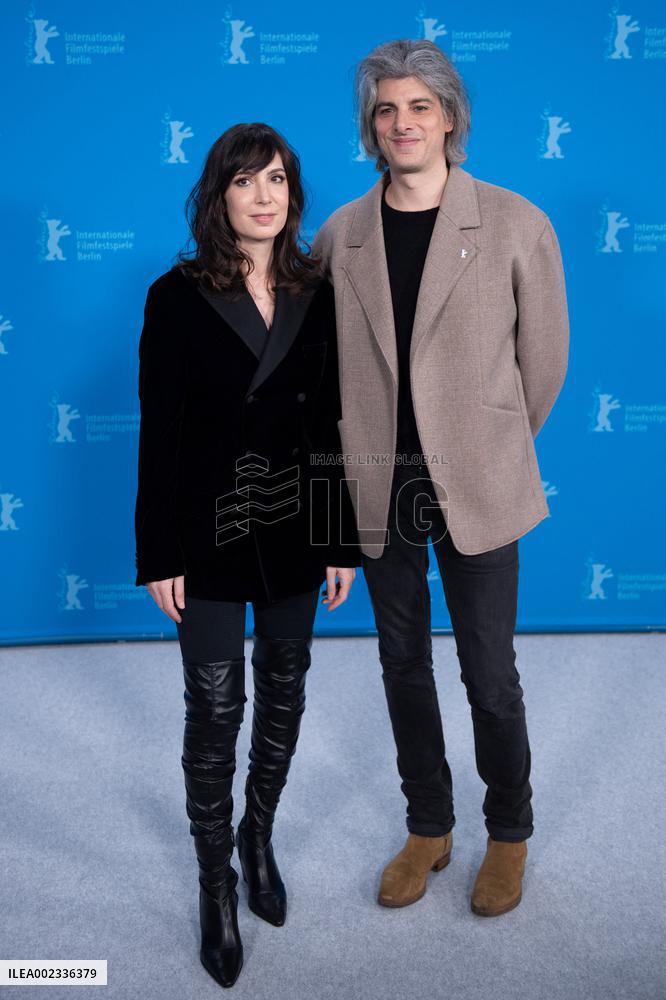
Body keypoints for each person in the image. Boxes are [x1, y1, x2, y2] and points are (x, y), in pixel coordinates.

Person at [313, 39, 569, 917]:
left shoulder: (514, 221)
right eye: (386, 109)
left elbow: (545, 363)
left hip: (481, 480)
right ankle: (429, 823)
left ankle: (509, 831)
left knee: (490, 675)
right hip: (378, 483)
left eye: (420, 106)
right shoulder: (340, 235)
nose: (402, 123)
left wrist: (490, 441)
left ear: (450, 118)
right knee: (399, 663)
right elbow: (325, 374)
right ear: (369, 127)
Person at [133, 122, 361, 988]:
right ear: (217, 195)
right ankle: (213, 884)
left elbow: (333, 422)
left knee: (288, 690)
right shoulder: (175, 294)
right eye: (244, 181)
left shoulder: (318, 291)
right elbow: (160, 434)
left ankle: (256, 836)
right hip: (209, 532)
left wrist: (341, 537)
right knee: (215, 712)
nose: (262, 197)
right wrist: (159, 551)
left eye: (276, 181)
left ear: (292, 196)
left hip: (299, 526)